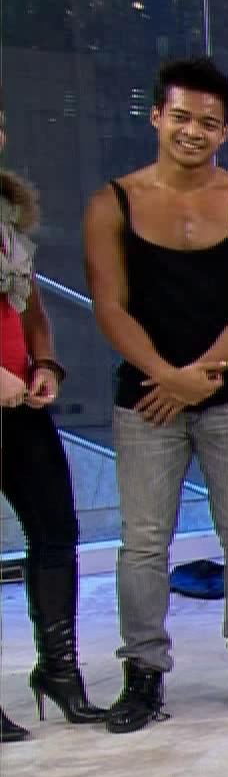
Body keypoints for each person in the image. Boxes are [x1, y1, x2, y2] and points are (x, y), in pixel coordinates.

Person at [83, 57, 228, 734]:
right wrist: (166, 377)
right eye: (180, 117)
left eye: (207, 122)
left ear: (225, 131)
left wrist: (199, 372)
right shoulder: (112, 204)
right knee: (143, 543)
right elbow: (110, 306)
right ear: (156, 117)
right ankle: (142, 674)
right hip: (146, 400)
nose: (192, 132)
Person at [1, 100, 108, 742]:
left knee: (56, 530)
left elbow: (31, 307)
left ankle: (59, 671)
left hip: (22, 404)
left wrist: (44, 363)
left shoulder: (9, 219)